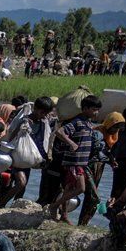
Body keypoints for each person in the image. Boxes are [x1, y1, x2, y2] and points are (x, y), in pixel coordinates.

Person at [49, 94, 102, 223]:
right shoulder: (77, 121)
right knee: (81, 189)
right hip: (74, 161)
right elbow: (60, 132)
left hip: (81, 162)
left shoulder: (88, 124)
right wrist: (71, 143)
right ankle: (54, 206)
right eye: (94, 109)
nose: (96, 112)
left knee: (69, 189)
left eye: (97, 109)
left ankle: (64, 215)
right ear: (85, 108)